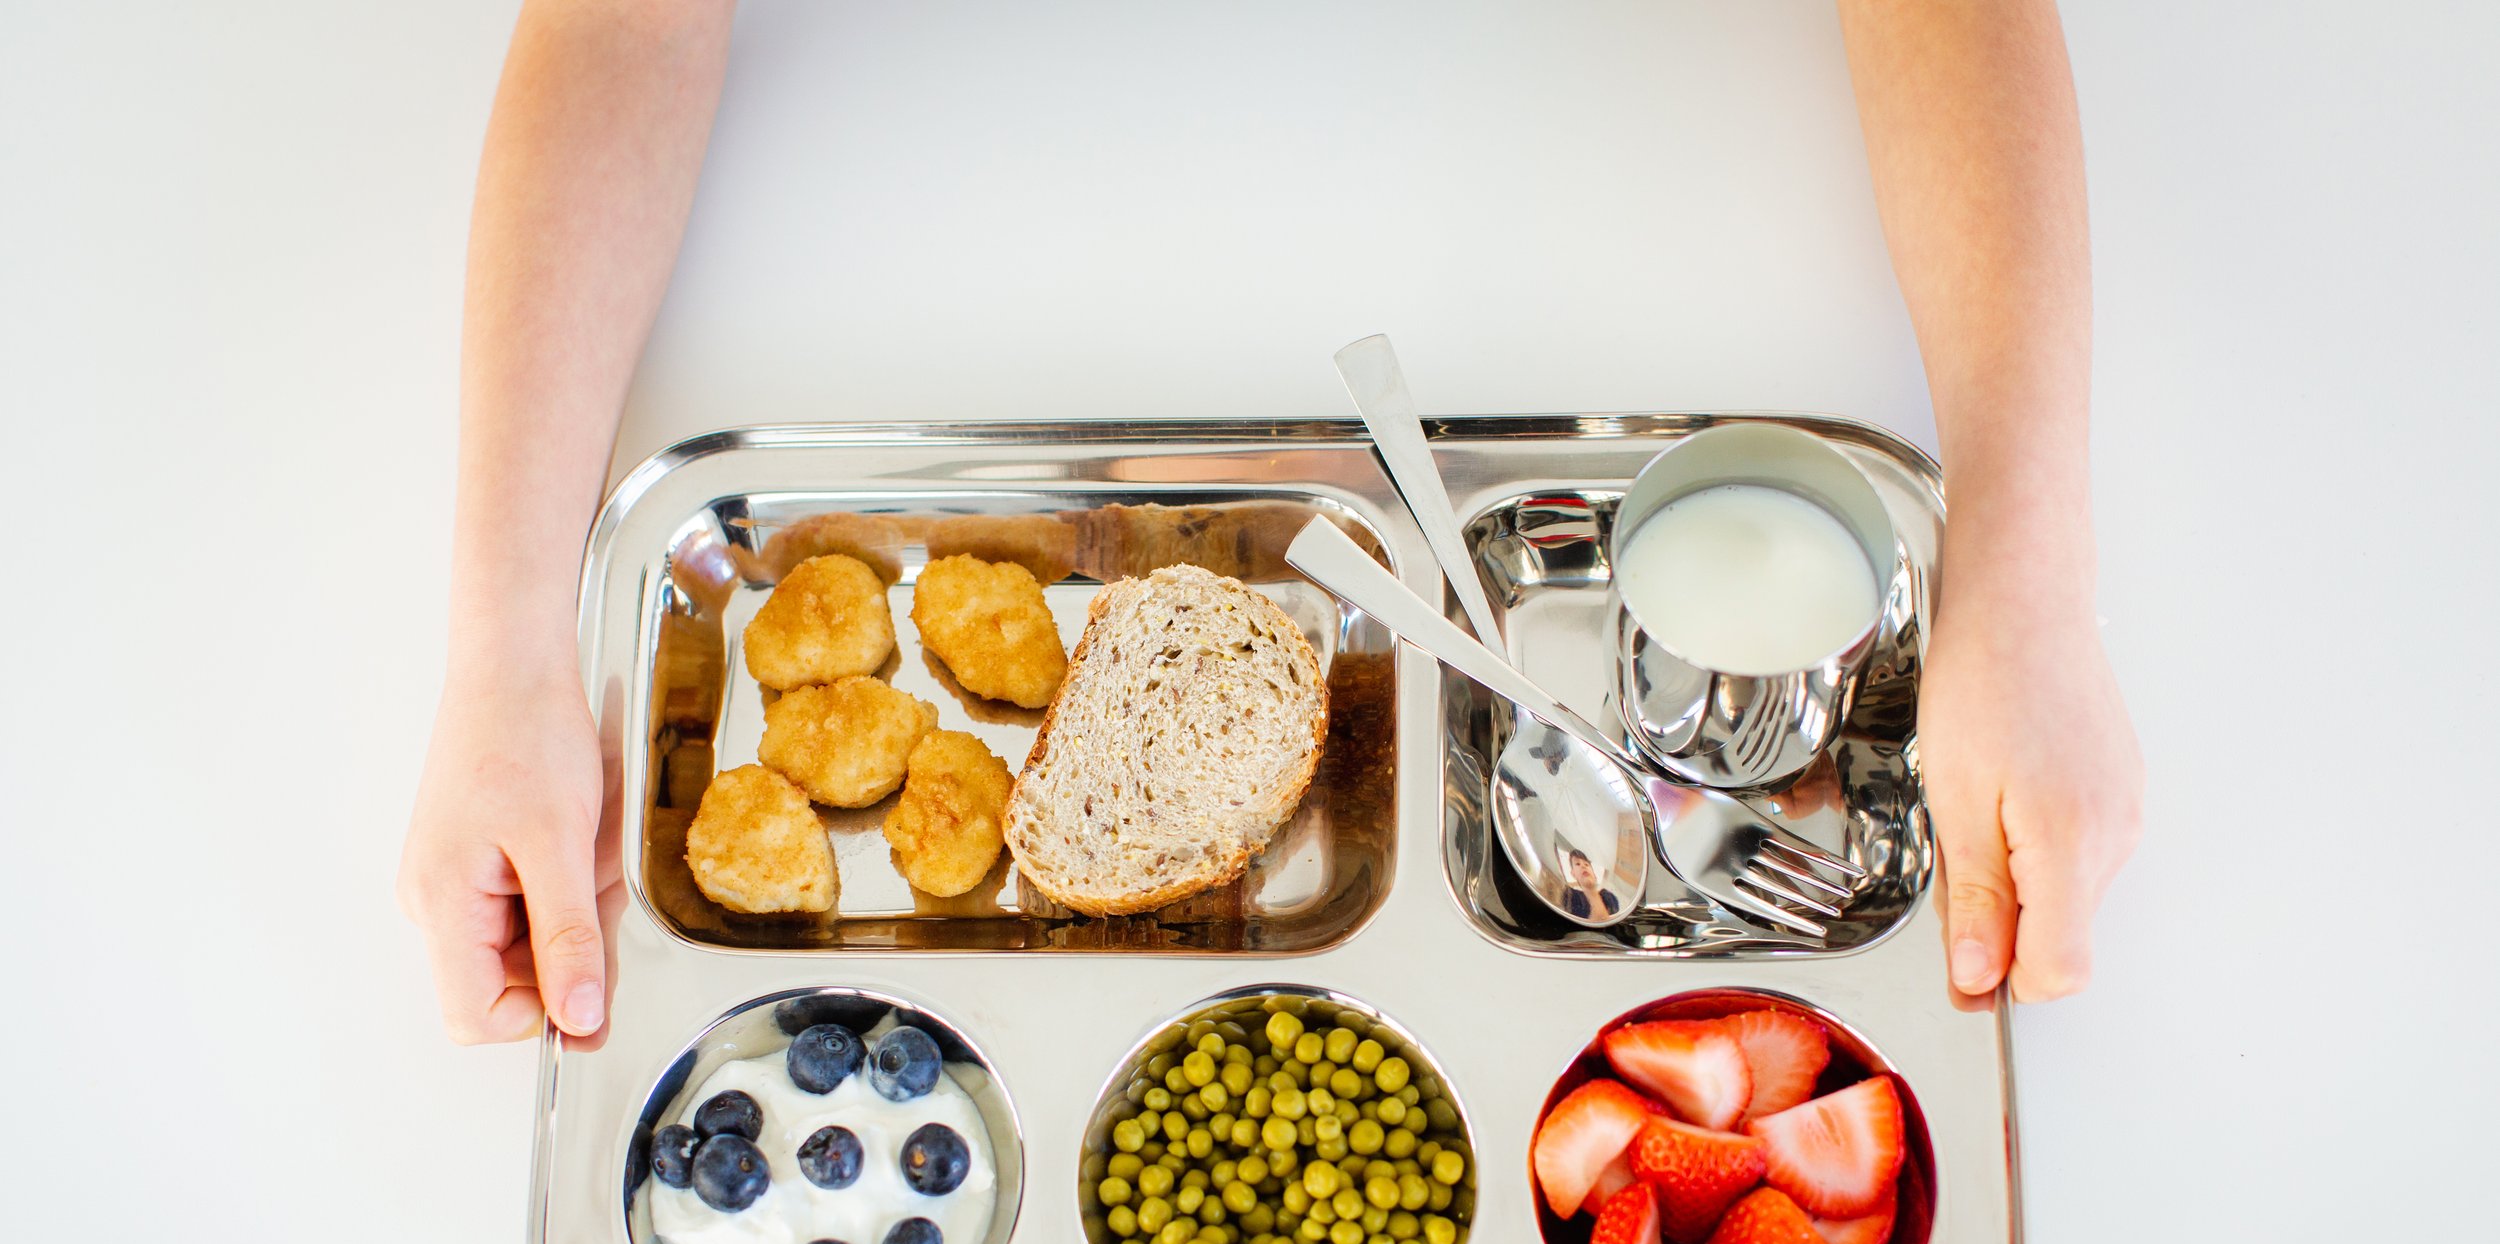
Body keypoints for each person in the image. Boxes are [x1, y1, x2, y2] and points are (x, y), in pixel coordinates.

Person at [399, 0, 2142, 1044]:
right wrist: (500, 647)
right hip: (895, 200)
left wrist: (2033, 576)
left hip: (1653, 149)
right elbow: (621, 21)